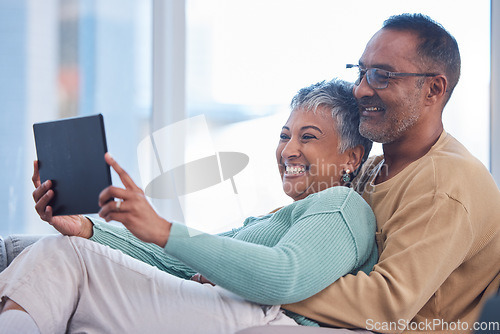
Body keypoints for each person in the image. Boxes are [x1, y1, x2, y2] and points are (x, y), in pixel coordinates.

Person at [0, 79, 378, 333]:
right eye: (284, 135)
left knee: (63, 258)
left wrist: (163, 230)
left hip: (259, 319)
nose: (288, 149)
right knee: (61, 251)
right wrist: (87, 227)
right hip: (230, 310)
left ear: (351, 157)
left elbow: (284, 278)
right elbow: (176, 263)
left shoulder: (342, 206)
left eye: (307, 137)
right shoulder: (277, 216)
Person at [238, 13, 500, 334]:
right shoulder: (374, 168)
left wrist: (251, 278)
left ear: (433, 89)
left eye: (381, 76)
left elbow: (386, 306)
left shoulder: (445, 184)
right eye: (361, 72)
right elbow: (297, 219)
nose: (360, 90)